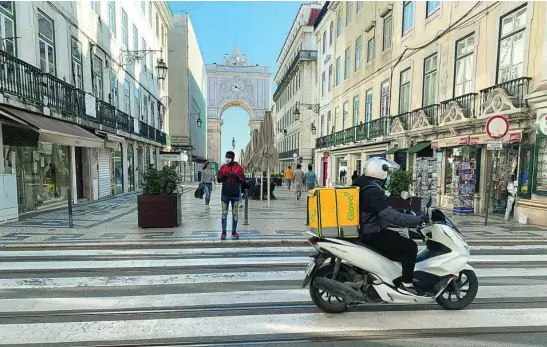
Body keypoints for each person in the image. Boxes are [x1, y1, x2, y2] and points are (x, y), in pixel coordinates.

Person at [352, 157, 429, 297]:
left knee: (399, 238)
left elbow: (383, 208)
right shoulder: (372, 190)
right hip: (372, 233)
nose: (388, 177)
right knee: (410, 247)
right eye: (386, 173)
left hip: (365, 229)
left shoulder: (364, 185)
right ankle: (406, 285)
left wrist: (400, 210)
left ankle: (394, 277)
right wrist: (418, 220)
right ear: (378, 172)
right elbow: (391, 216)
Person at [217, 151, 245, 240]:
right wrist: (223, 177)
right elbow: (218, 180)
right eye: (226, 156)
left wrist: (237, 177)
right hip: (225, 194)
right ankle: (223, 232)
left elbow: (243, 180)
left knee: (235, 213)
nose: (226, 158)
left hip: (235, 195)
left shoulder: (238, 168)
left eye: (228, 157)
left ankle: (234, 231)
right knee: (224, 213)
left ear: (232, 158)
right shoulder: (223, 167)